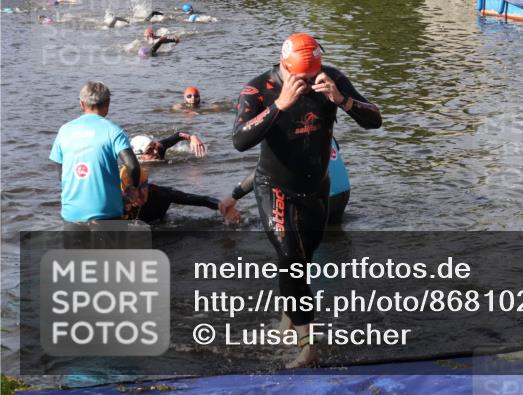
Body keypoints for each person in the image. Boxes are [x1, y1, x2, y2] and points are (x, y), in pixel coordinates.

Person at [219, 32, 381, 368]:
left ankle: (288, 319)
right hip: (274, 187)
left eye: (312, 77)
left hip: (317, 189)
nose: (307, 85)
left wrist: (342, 100)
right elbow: (239, 140)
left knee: (300, 262)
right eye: (301, 79)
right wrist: (279, 105)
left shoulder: (331, 79)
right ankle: (309, 345)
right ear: (284, 66)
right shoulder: (258, 90)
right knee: (291, 257)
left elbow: (375, 118)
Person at [50, 81, 141, 224]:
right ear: (108, 103)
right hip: (107, 214)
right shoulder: (113, 131)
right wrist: (131, 188)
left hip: (72, 215)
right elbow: (133, 166)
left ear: (81, 104)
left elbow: (62, 176)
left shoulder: (64, 131)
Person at [229, 137, 351, 226]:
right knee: (332, 236)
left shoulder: (287, 129)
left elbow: (264, 170)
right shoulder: (317, 122)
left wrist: (234, 196)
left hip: (320, 196)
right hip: (343, 189)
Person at [120, 165, 240, 224]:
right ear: (124, 191)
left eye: (143, 186)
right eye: (133, 190)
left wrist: (222, 206)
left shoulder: (161, 195)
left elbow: (196, 199)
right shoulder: (117, 204)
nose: (140, 194)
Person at [130, 131, 207, 161]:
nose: (156, 151)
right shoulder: (136, 165)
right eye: (149, 150)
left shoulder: (160, 148)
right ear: (139, 156)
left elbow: (178, 135)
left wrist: (192, 137)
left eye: (154, 146)